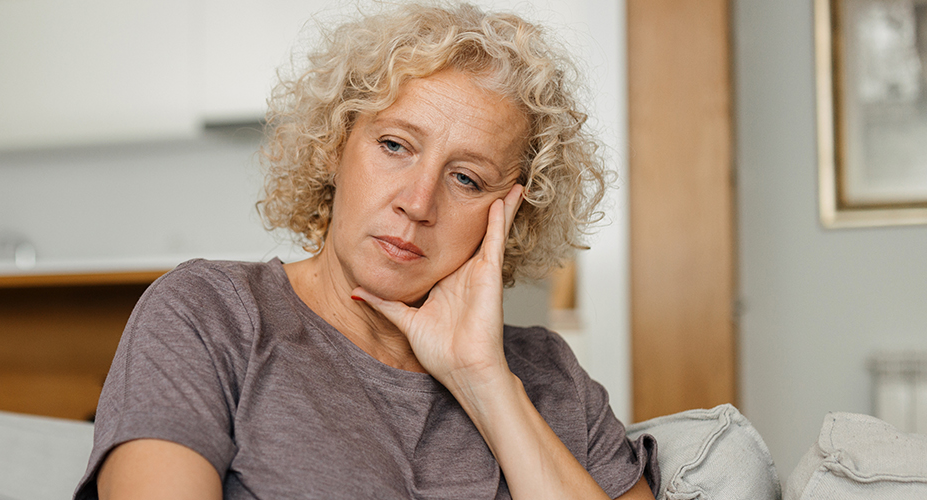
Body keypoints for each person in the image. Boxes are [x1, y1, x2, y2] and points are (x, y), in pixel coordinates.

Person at [74, 3, 659, 499]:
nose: (418, 201)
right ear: (336, 145)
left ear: (510, 213)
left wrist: (485, 381)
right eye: (395, 145)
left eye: (467, 180)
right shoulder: (210, 314)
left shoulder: (548, 379)